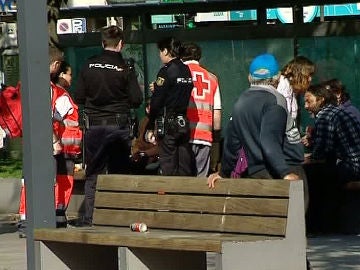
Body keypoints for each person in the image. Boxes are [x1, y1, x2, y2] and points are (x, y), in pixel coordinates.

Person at [74, 25, 143, 226]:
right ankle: (119, 219)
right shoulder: (125, 68)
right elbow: (136, 99)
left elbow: (79, 96)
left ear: (102, 43)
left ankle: (90, 218)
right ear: (120, 44)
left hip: (94, 127)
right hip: (118, 127)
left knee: (93, 173)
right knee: (119, 173)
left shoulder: (88, 65)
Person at [208, 53, 302, 188]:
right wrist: (285, 172)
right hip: (283, 170)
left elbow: (232, 142)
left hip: (255, 173)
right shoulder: (275, 100)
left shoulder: (241, 101)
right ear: (277, 78)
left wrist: (223, 172)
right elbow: (269, 140)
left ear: (249, 77)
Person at [18, 48, 81, 236]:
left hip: (32, 142)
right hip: (49, 143)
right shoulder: (51, 90)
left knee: (29, 181)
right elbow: (46, 115)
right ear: (54, 66)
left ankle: (27, 220)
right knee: (50, 181)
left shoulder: (26, 85)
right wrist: (54, 140)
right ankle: (45, 219)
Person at [148, 36, 194, 176]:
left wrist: (150, 124)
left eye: (160, 51)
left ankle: (170, 196)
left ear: (166, 51)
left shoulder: (166, 71)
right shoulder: (186, 70)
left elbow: (157, 101)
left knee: (169, 167)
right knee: (184, 165)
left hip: (168, 124)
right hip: (183, 124)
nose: (160, 55)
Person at [304, 82, 360, 186]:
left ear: (321, 100)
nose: (305, 106)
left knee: (309, 174)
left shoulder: (325, 117)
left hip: (352, 167)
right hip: (354, 163)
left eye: (308, 101)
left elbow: (321, 154)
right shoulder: (337, 111)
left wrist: (304, 159)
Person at [181, 42, 222, 177]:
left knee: (184, 181)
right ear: (199, 57)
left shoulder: (178, 75)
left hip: (183, 135)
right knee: (200, 180)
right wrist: (215, 141)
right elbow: (217, 117)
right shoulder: (212, 78)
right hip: (205, 137)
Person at [130, 99, 159, 174]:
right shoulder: (143, 121)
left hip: (154, 156)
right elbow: (139, 141)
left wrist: (145, 153)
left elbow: (161, 146)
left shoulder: (159, 122)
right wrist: (136, 152)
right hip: (142, 155)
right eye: (149, 107)